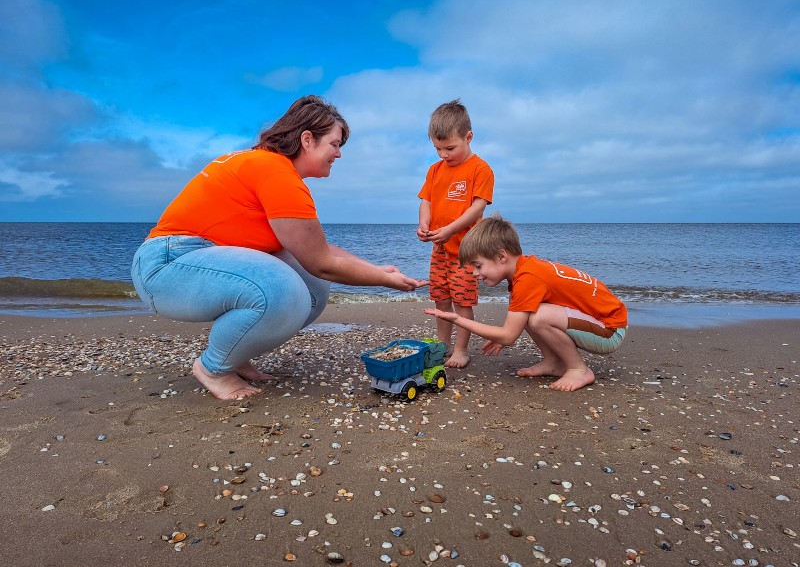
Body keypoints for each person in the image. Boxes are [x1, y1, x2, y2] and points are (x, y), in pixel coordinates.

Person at [131, 96, 427, 401]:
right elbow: (322, 263)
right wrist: (385, 280)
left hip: (201, 263)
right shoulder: (274, 171)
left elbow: (317, 250)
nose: (339, 154)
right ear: (307, 140)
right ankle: (213, 368)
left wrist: (375, 268)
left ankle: (236, 355)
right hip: (166, 266)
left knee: (312, 286)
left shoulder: (270, 167)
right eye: (335, 144)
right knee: (282, 290)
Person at [424, 215, 627, 392]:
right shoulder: (524, 270)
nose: (475, 274)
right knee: (530, 312)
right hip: (597, 322)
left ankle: (578, 369)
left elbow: (509, 335)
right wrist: (502, 338)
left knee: (539, 317)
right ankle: (554, 362)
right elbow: (515, 322)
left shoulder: (528, 278)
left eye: (478, 266)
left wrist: (457, 319)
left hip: (609, 330)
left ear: (501, 256)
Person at [417, 100, 494, 369]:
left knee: (462, 301)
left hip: (467, 250)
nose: (443, 155)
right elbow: (426, 200)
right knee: (441, 297)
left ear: (468, 137)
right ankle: (442, 346)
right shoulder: (435, 170)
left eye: (450, 148)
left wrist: (450, 229)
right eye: (438, 149)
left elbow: (478, 207)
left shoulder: (480, 169)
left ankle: (461, 350)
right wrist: (424, 224)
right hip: (440, 248)